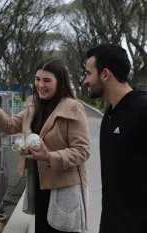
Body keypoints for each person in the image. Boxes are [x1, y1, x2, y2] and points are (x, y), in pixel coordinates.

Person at [0, 58, 90, 233]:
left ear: (60, 82)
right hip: (39, 183)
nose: (40, 85)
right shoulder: (34, 106)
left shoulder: (73, 109)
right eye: (37, 79)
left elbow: (82, 151)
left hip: (63, 188)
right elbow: (9, 125)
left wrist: (49, 156)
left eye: (47, 80)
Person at [84, 44, 147, 233]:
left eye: (88, 73)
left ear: (105, 74)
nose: (86, 80)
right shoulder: (110, 115)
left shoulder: (143, 110)